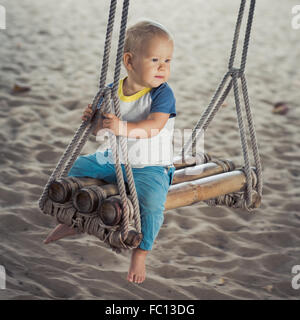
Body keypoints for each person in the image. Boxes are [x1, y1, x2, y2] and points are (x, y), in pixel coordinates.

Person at [45, 20, 176, 284]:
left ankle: (141, 252)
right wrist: (93, 122)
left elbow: (153, 127)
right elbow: (101, 132)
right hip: (112, 159)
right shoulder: (112, 91)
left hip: (150, 164)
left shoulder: (162, 94)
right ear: (130, 61)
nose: (163, 67)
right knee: (75, 170)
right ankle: (75, 220)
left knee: (151, 203)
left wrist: (121, 126)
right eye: (155, 59)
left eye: (168, 60)